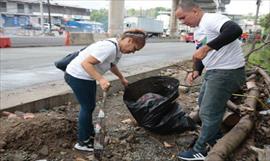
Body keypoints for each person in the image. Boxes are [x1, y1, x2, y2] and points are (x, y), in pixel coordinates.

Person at [175, 0, 246, 160]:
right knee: (203, 103)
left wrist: (207, 48)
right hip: (215, 71)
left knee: (209, 111)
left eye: (183, 18)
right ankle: (215, 135)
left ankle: (201, 149)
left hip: (227, 71)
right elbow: (201, 53)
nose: (182, 22)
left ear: (194, 11)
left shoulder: (211, 19)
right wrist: (196, 70)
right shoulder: (199, 29)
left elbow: (235, 30)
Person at [64, 29, 146, 152]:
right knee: (87, 107)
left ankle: (88, 132)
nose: (133, 52)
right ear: (129, 40)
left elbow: (111, 64)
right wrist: (101, 80)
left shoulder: (117, 49)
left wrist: (121, 78)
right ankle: (83, 142)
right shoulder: (109, 47)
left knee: (89, 106)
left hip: (87, 77)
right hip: (77, 75)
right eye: (134, 48)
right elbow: (86, 64)